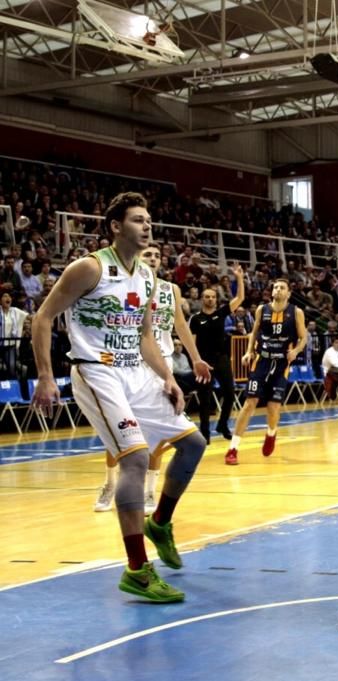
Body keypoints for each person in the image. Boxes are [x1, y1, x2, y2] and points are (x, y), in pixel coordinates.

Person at [30, 192, 208, 602]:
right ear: (115, 226)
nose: (147, 226)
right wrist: (45, 375)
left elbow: (146, 336)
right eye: (138, 220)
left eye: (149, 220)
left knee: (194, 444)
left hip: (136, 370)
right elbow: (43, 317)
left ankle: (160, 522)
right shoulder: (89, 268)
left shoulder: (147, 277)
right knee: (137, 458)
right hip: (97, 371)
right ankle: (137, 570)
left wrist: (168, 377)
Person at [93, 243, 211, 514]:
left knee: (161, 433)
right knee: (122, 428)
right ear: (137, 256)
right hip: (131, 364)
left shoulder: (172, 290)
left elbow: (180, 325)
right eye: (148, 254)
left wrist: (195, 359)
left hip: (163, 367)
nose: (154, 258)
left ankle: (149, 491)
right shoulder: (125, 285)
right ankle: (110, 483)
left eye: (157, 255)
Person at [224, 278, 307, 465]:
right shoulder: (262, 309)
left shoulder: (296, 312)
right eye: (275, 287)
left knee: (273, 407)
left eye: (282, 287)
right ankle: (233, 449)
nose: (278, 290)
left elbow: (304, 338)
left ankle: (271, 433)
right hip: (261, 361)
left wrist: (295, 351)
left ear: (288, 293)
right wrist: (248, 351)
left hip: (281, 365)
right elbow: (254, 332)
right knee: (249, 403)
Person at [189, 263, 245, 443]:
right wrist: (195, 362)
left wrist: (239, 277)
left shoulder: (221, 313)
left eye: (213, 297)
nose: (210, 299)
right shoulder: (196, 319)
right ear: (202, 299)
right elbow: (192, 342)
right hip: (204, 362)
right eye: (207, 297)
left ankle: (222, 424)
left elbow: (240, 298)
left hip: (222, 359)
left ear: (216, 299)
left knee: (230, 394)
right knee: (204, 400)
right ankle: (204, 433)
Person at [0, 291, 28, 379]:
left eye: (9, 296)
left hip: (10, 345)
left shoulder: (15, 311)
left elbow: (29, 317)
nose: (8, 298)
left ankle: (13, 386)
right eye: (5, 296)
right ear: (0, 300)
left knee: (11, 367)